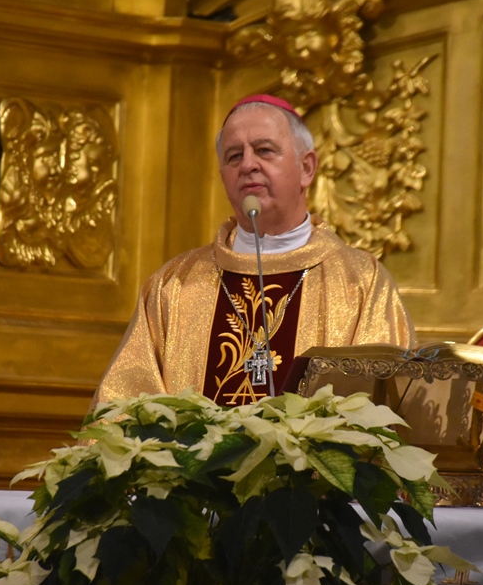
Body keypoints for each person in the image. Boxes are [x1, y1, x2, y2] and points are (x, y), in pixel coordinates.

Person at [91, 94, 413, 409]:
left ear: (306, 168)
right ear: (223, 177)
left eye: (264, 150)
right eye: (234, 156)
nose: (247, 164)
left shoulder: (361, 282)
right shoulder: (174, 285)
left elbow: (386, 408)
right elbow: (121, 410)